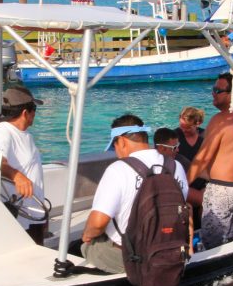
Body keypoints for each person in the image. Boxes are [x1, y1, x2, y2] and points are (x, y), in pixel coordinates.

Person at [81, 115, 189, 273]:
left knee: (86, 246)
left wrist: (87, 235)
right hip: (168, 247)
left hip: (132, 256)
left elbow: (97, 223)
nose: (116, 152)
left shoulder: (117, 169)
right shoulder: (175, 166)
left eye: (115, 145)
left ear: (122, 141)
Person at [187, 73, 233, 248]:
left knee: (213, 244)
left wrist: (181, 185)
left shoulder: (220, 120)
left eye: (217, 90)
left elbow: (202, 158)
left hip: (222, 191)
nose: (213, 93)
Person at [0, 86, 47, 244]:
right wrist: (17, 176)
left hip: (33, 213)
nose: (34, 115)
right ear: (26, 113)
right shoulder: (1, 132)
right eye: (34, 110)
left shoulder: (26, 135)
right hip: (20, 217)